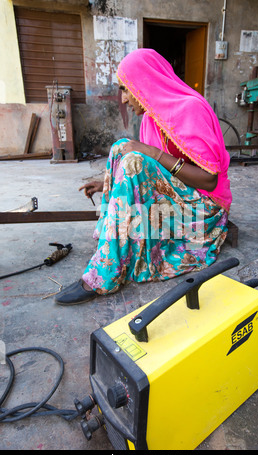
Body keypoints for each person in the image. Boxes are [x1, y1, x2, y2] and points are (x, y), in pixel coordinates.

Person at [55, 48, 232, 306]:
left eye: (126, 89)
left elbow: (209, 181)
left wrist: (152, 152)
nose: (124, 99)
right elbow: (152, 175)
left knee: (135, 159)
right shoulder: (151, 118)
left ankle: (105, 275)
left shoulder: (191, 109)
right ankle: (110, 246)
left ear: (145, 83)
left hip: (205, 207)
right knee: (122, 148)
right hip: (180, 194)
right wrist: (110, 186)